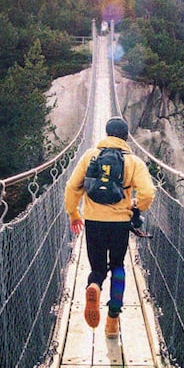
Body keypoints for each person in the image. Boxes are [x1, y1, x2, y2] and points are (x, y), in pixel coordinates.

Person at [65, 117, 155, 337]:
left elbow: (71, 187)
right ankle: (112, 320)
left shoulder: (89, 156)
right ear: (126, 137)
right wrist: (136, 206)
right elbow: (148, 193)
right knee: (117, 267)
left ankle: (94, 285)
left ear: (106, 134)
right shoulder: (134, 162)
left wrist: (74, 213)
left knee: (97, 268)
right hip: (119, 225)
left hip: (94, 222)